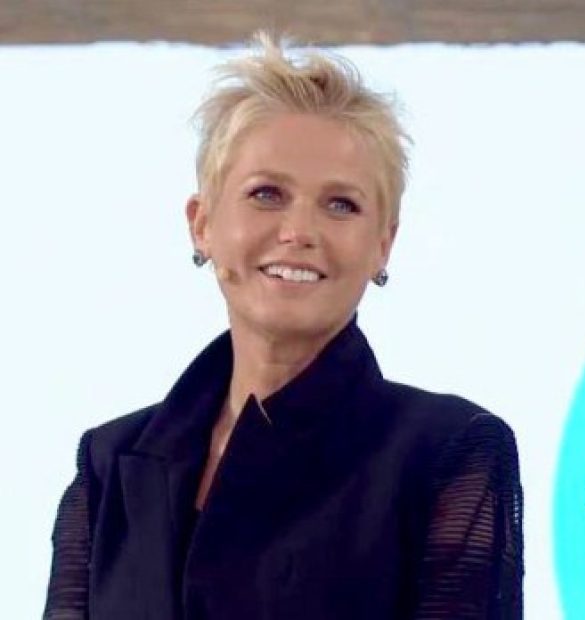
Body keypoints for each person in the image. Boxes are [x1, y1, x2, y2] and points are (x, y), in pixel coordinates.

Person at [43, 31, 523, 620]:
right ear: (202, 223)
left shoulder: (448, 450)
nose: (299, 231)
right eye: (267, 194)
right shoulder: (108, 462)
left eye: (341, 204)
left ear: (383, 243)